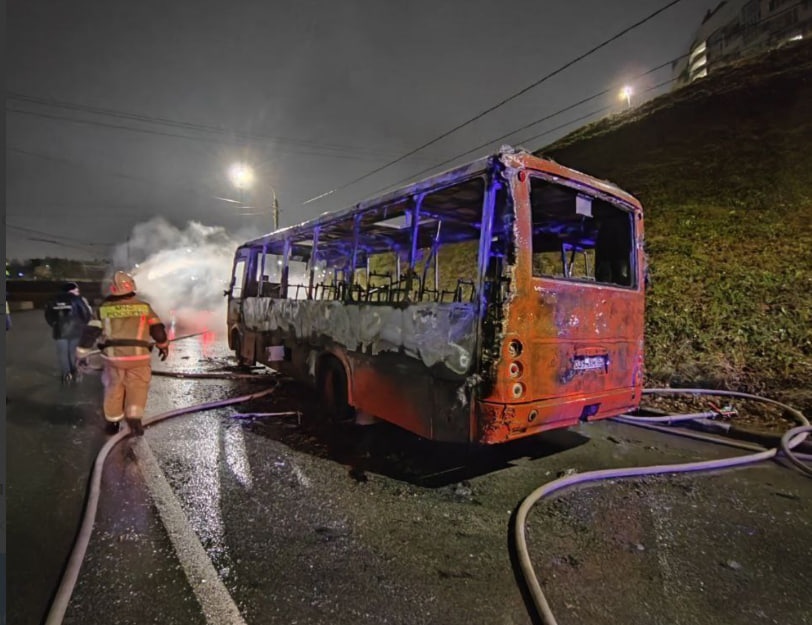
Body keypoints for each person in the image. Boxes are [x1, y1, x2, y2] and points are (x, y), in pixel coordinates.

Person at [76, 271, 169, 435]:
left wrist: (82, 354)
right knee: (138, 387)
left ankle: (112, 423)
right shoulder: (144, 307)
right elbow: (158, 330)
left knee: (114, 387)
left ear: (113, 289)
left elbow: (90, 333)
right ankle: (134, 419)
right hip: (139, 358)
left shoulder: (104, 309)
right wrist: (163, 345)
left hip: (114, 358)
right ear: (133, 287)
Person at [44, 282, 94, 383]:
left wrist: (54, 324)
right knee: (72, 352)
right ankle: (73, 371)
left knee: (62, 353)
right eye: (75, 290)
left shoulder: (53, 299)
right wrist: (82, 324)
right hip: (76, 329)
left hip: (59, 331)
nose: (77, 292)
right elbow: (86, 313)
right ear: (70, 290)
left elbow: (48, 315)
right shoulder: (77, 299)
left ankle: (66, 374)